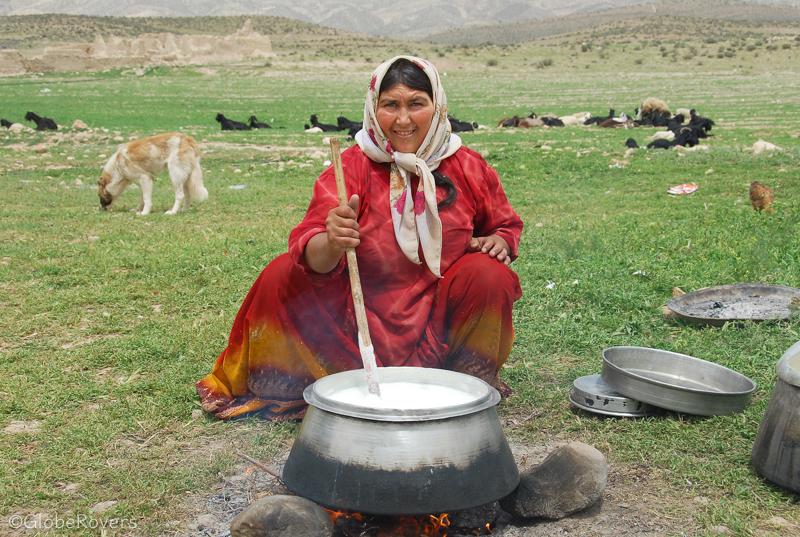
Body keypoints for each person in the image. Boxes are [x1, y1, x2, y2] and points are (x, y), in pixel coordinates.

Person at [196, 55, 523, 420]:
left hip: (439, 322)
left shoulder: (467, 166)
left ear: (438, 106)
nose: (403, 120)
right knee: (280, 274)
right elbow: (312, 255)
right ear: (373, 108)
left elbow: (503, 225)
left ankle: (465, 382)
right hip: (354, 330)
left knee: (489, 274)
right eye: (390, 105)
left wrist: (499, 241)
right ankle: (297, 380)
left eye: (416, 104)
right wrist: (333, 240)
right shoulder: (351, 167)